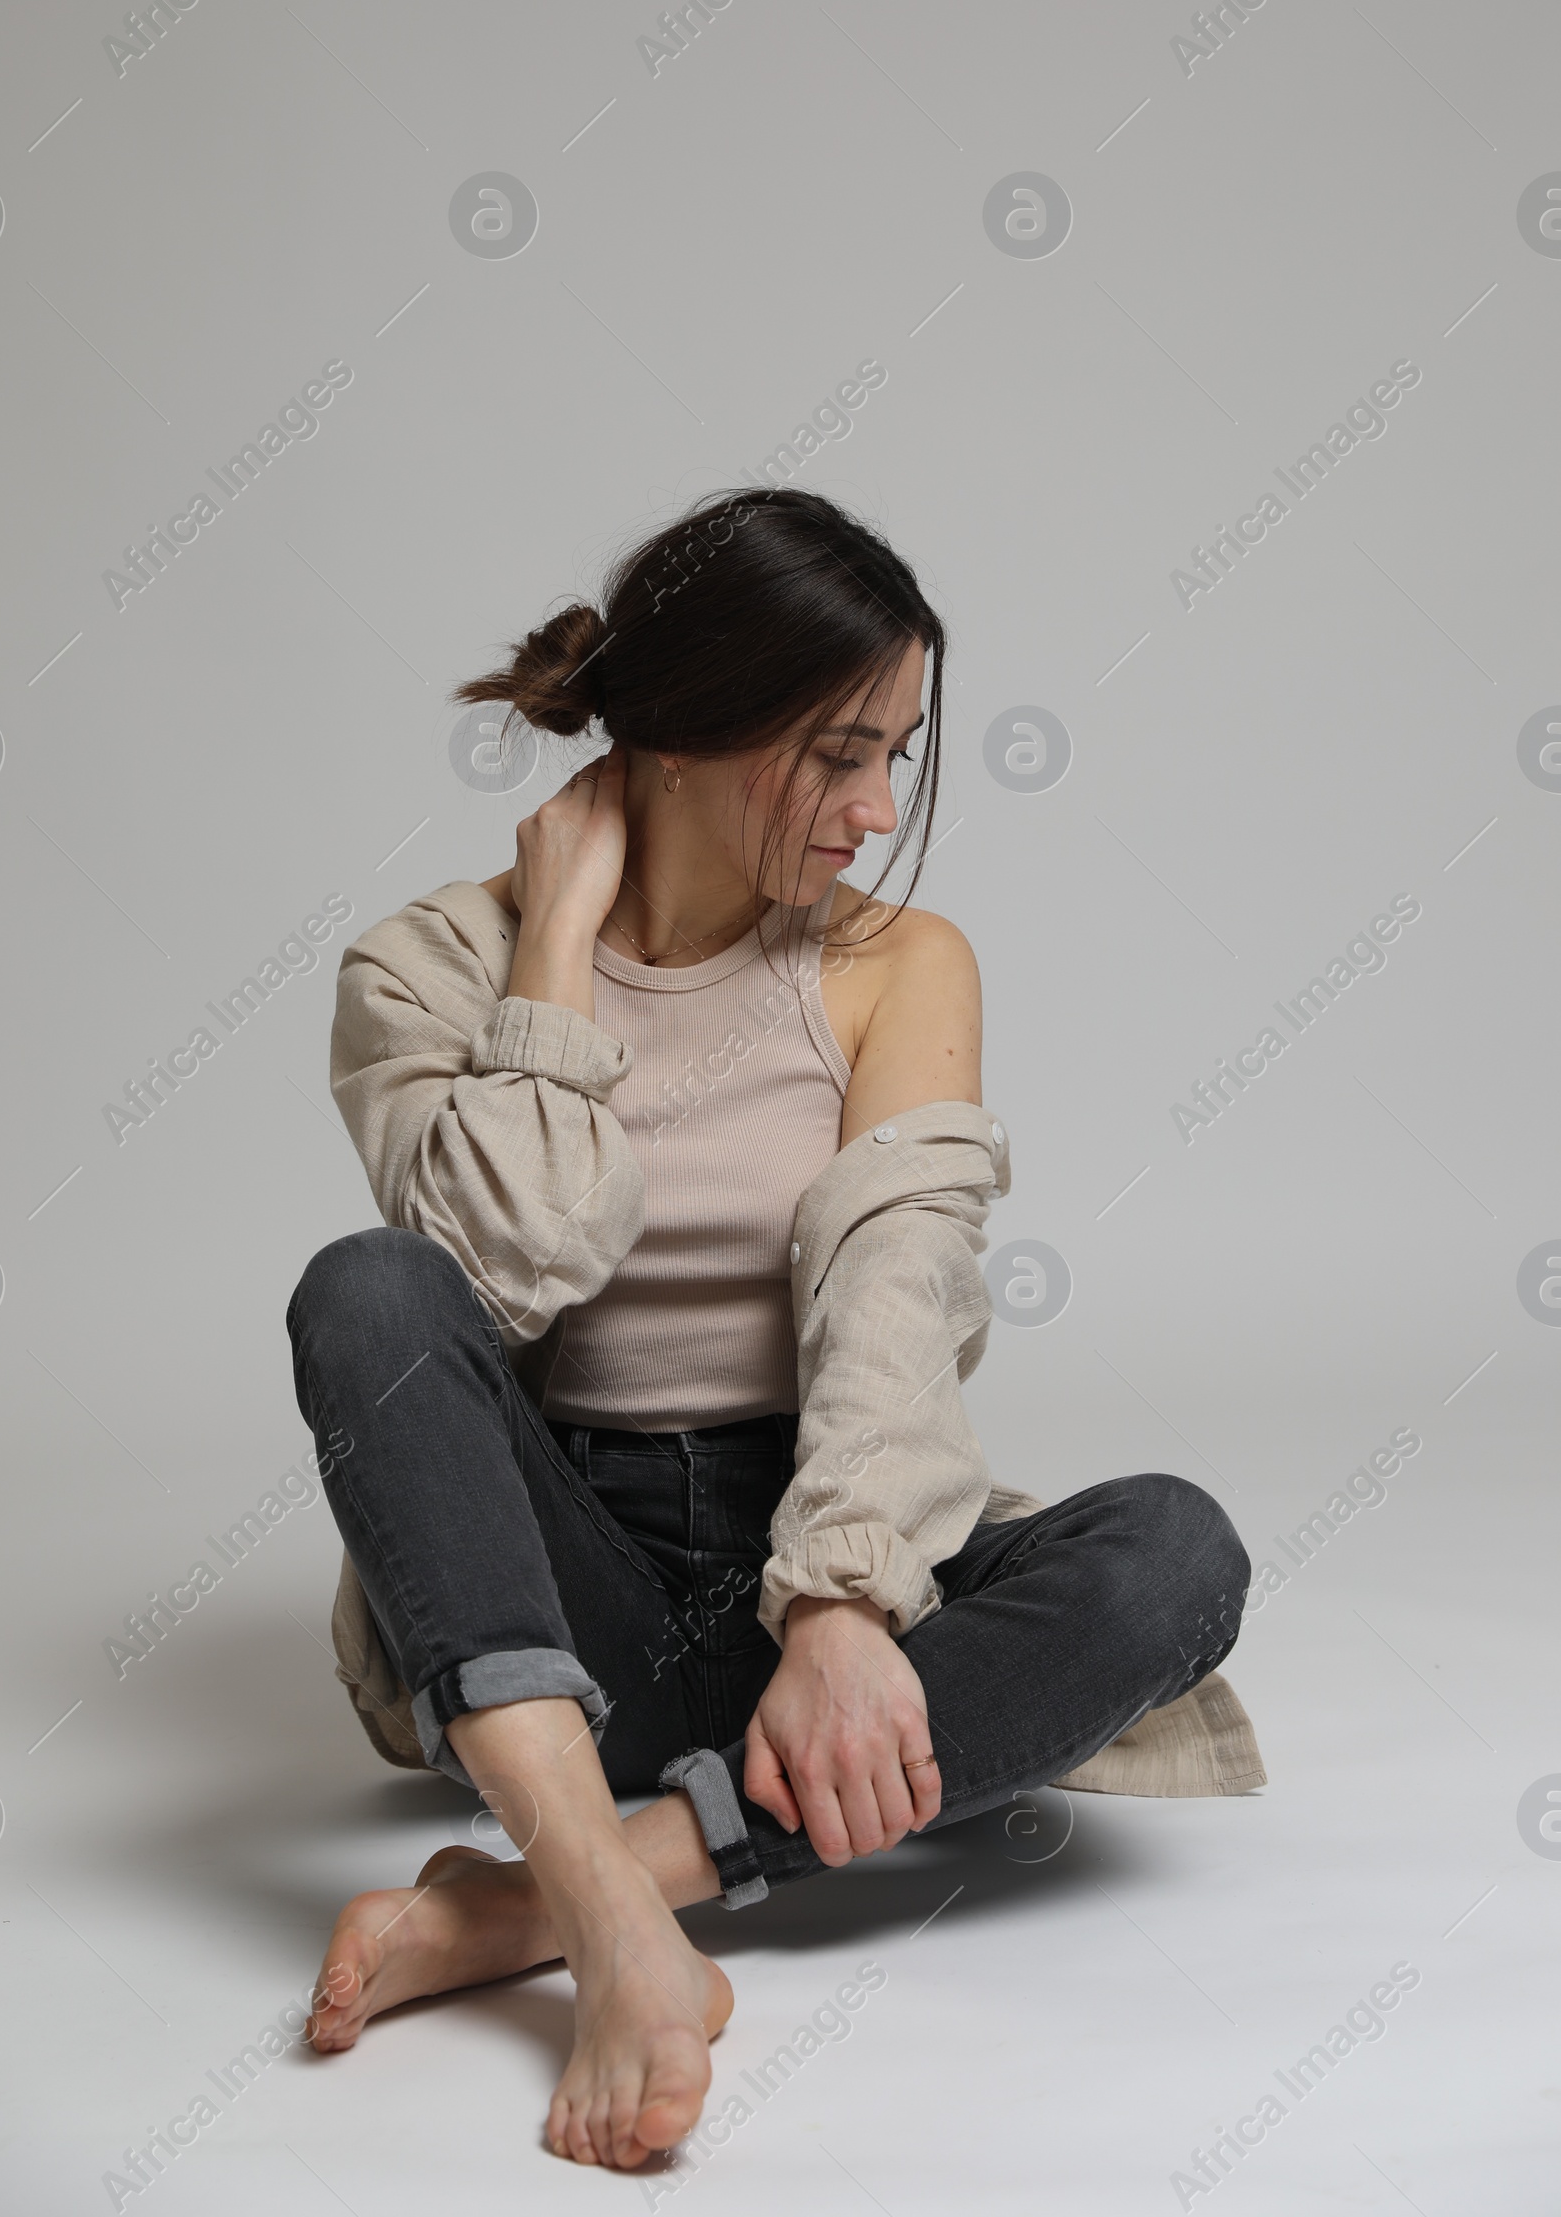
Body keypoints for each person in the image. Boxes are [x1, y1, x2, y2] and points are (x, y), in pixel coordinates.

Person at [284, 487, 1257, 2171]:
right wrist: (566, 948)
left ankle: (551, 1903)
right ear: (678, 730)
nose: (879, 811)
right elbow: (498, 1265)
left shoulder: (899, 965)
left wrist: (838, 1601)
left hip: (816, 1574)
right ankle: (615, 1906)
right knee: (364, 1292)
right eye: (838, 753)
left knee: (1175, 1553)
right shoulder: (434, 966)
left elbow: (898, 1279)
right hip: (555, 1599)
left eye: (901, 753)